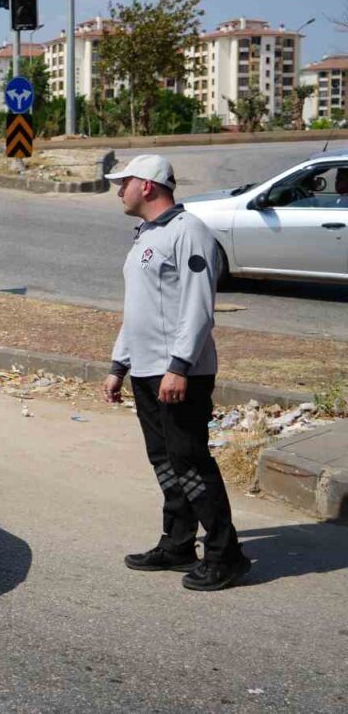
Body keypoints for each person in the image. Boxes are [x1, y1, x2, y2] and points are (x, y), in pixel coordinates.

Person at [100, 154, 250, 592]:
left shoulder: (189, 233)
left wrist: (180, 366)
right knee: (164, 460)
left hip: (178, 372)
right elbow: (138, 312)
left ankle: (226, 554)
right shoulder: (147, 236)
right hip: (146, 371)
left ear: (147, 186)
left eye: (122, 182)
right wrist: (118, 365)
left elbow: (198, 308)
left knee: (190, 462)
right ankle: (179, 542)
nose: (117, 190)